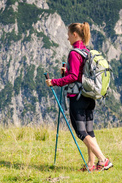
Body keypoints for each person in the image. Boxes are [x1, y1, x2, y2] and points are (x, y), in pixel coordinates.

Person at [46, 22, 113, 172]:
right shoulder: (86, 52)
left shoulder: (74, 53)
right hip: (89, 96)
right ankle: (91, 164)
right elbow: (79, 73)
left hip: (78, 98)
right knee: (89, 131)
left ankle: (103, 160)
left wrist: (54, 82)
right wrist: (68, 70)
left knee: (81, 132)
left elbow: (74, 77)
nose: (67, 37)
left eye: (69, 34)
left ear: (75, 34)